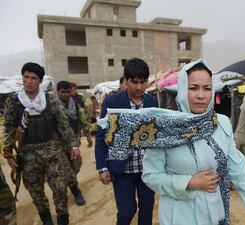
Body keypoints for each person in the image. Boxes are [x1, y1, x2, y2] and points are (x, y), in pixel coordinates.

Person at [99, 59, 245, 224]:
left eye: (206, 88)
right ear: (183, 89)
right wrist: (189, 183)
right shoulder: (164, 127)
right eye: (193, 88)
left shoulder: (221, 123)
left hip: (215, 214)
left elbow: (240, 170)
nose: (201, 95)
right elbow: (151, 176)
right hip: (180, 216)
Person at [2, 62, 80, 225]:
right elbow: (9, 127)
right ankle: (46, 220)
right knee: (36, 192)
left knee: (60, 189)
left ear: (40, 81)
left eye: (34, 78)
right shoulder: (13, 101)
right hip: (28, 156)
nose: (29, 81)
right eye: (26, 77)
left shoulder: (49, 100)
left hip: (52, 151)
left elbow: (63, 123)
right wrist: (8, 153)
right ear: (22, 78)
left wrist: (73, 145)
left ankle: (63, 220)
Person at [95, 58, 158, 225]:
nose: (139, 87)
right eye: (134, 82)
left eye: (142, 82)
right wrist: (102, 167)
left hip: (147, 170)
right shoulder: (112, 102)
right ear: (126, 80)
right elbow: (101, 137)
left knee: (147, 210)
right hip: (122, 170)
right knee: (126, 212)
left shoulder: (152, 102)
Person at [56, 80, 93, 206]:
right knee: (66, 169)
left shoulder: (76, 104)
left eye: (68, 92)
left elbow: (83, 120)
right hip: (59, 144)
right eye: (63, 92)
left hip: (75, 141)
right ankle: (76, 191)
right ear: (58, 92)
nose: (66, 94)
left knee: (76, 164)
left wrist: (88, 136)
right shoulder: (53, 106)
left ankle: (69, 181)